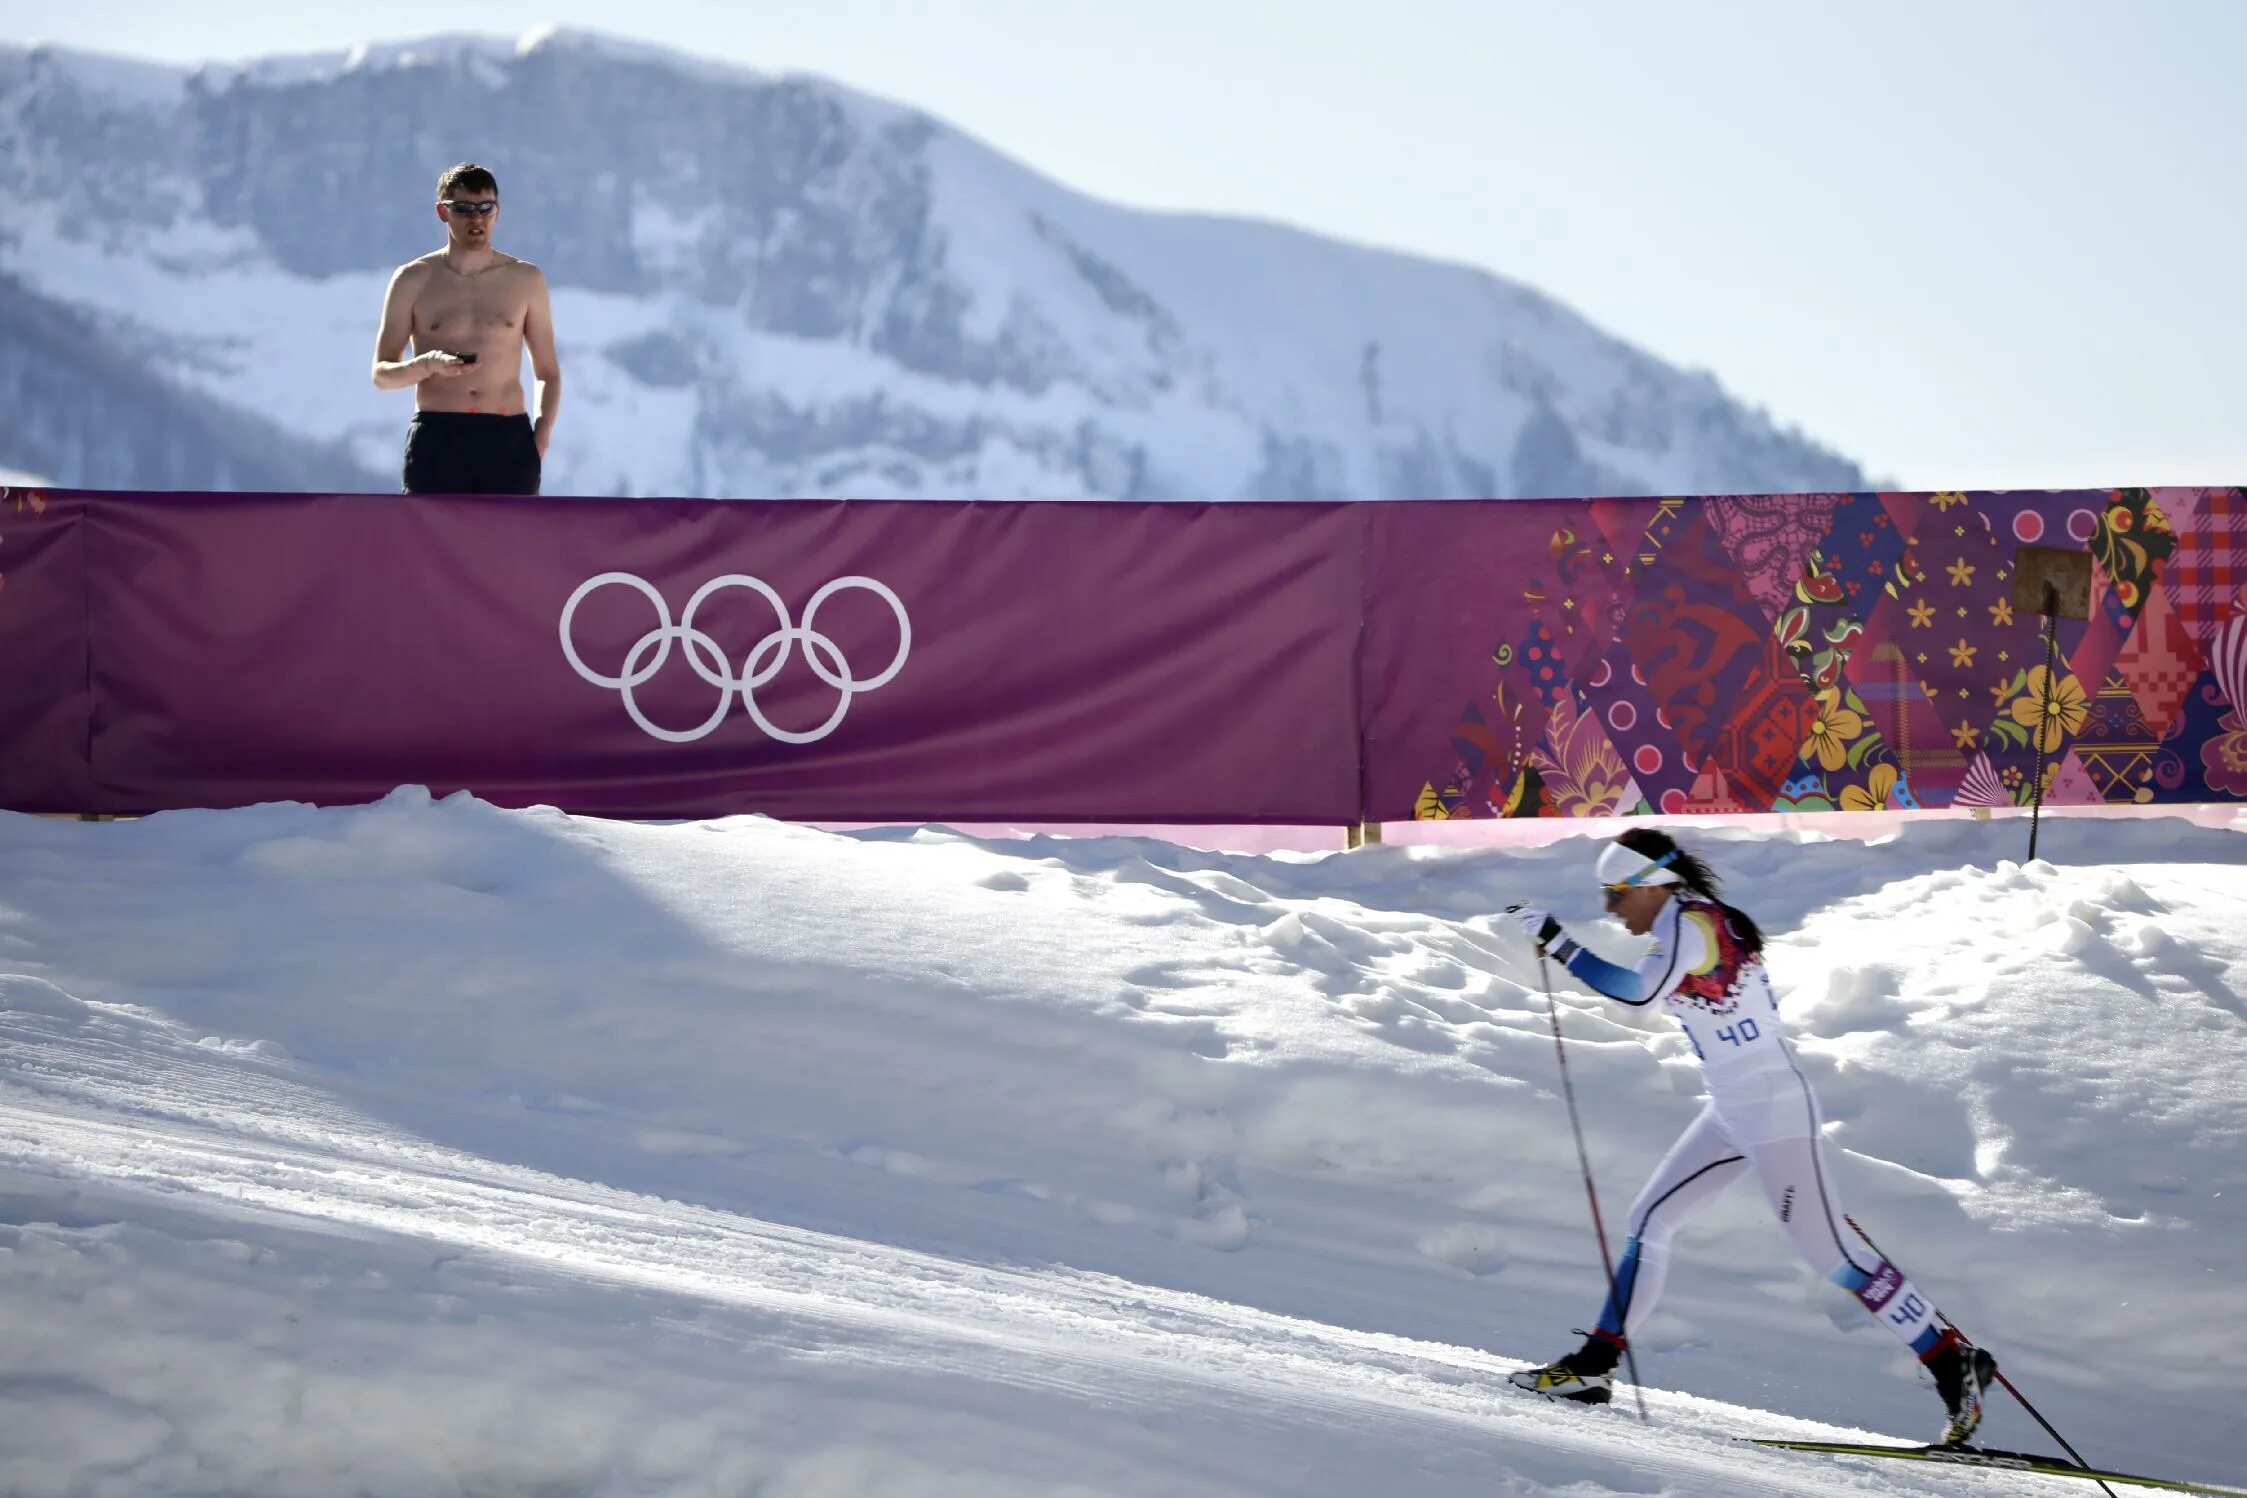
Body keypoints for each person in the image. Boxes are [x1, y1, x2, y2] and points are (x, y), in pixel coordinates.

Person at [1503, 828, 1998, 1446]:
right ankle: (1594, 1368)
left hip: (1773, 1114)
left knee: (1833, 1257)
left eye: (1616, 893)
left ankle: (1952, 1361)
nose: (1609, 908)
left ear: (1653, 885)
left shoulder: (1692, 925)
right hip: (1735, 1111)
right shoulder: (1682, 926)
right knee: (1650, 1219)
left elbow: (1637, 999)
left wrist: (1559, 944)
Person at [370, 163, 561, 494]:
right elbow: (382, 374)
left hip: (508, 436)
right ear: (443, 212)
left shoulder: (525, 279)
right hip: (438, 435)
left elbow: (548, 371)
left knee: (510, 545)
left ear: (497, 212)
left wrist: (541, 436)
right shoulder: (412, 279)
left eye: (485, 208)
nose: (477, 218)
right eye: (464, 209)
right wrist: (427, 364)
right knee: (429, 544)